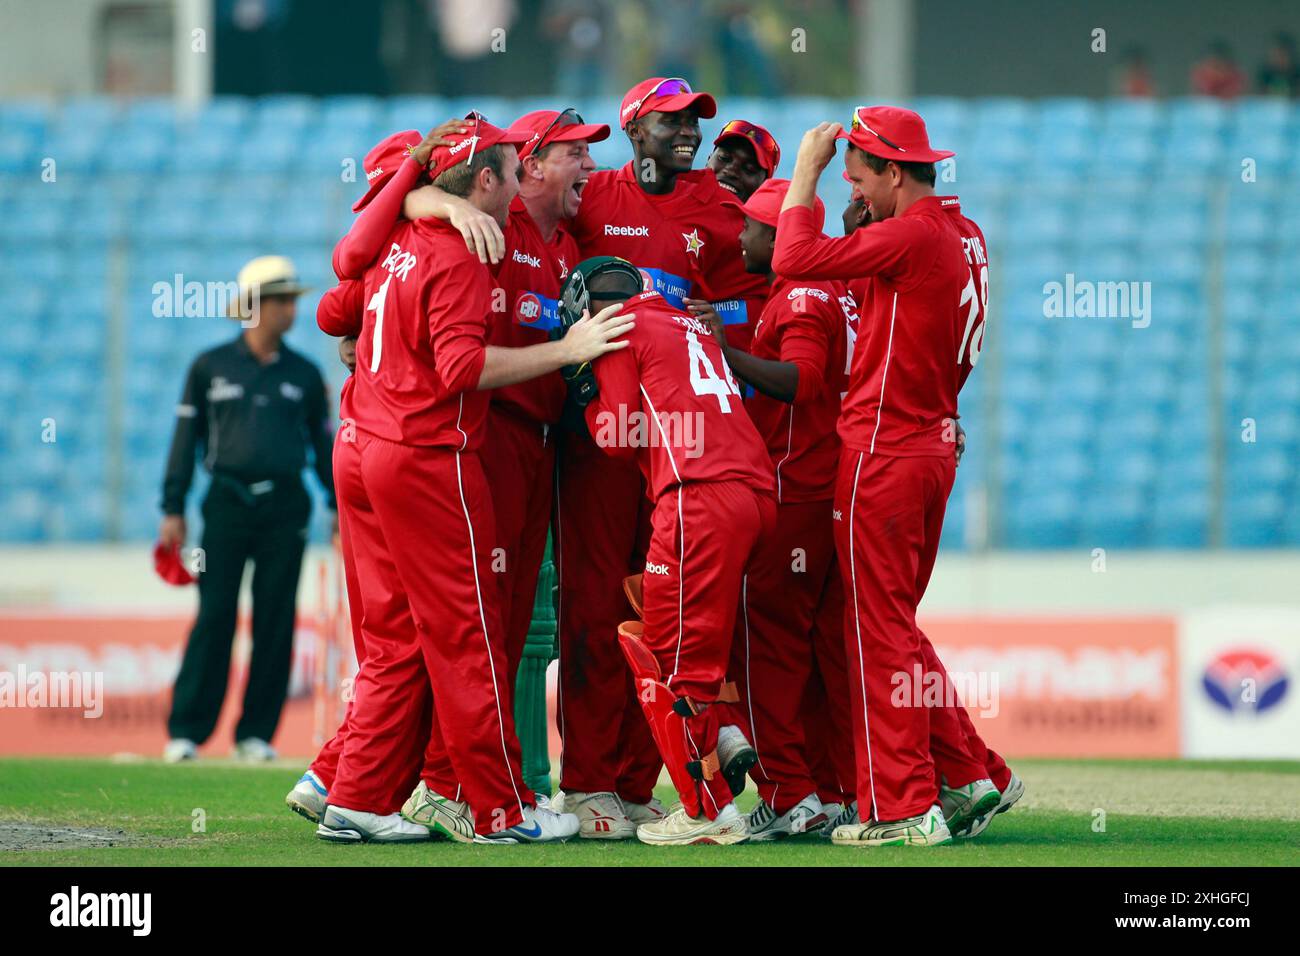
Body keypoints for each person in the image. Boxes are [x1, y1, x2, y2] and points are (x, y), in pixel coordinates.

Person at [315, 118, 630, 845]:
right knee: (469, 637)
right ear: (488, 180)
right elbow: (461, 368)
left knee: (398, 640)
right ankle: (494, 810)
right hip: (435, 451)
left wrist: (424, 199)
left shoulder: (399, 238)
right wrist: (568, 349)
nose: (522, 184)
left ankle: (355, 794)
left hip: (367, 445)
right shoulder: (465, 251)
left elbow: (341, 298)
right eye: (515, 170)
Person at [773, 106, 1011, 847]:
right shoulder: (962, 234)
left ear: (896, 172)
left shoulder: (907, 234)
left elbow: (791, 260)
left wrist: (805, 177)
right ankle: (972, 774)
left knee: (874, 634)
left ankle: (904, 809)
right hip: (928, 443)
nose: (856, 192)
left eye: (860, 178)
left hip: (882, 450)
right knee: (896, 626)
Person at [559, 256, 777, 845]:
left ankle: (707, 812)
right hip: (755, 494)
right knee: (673, 625)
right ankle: (724, 733)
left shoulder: (620, 329)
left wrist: (585, 390)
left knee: (661, 657)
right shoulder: (685, 321)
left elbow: (616, 435)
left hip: (697, 499)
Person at [702, 179, 859, 839]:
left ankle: (791, 794)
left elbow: (801, 381)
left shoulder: (797, 294)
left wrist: (725, 353)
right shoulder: (839, 290)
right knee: (824, 654)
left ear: (778, 233)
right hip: (830, 489)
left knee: (766, 649)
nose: (740, 238)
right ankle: (837, 789)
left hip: (795, 488)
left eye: (751, 227)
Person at [159, 255, 334, 764]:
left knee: (275, 620)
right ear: (255, 306)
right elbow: (185, 439)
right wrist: (173, 506)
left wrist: (338, 504)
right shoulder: (209, 366)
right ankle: (187, 731)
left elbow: (322, 447)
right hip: (226, 504)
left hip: (286, 506)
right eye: (281, 300)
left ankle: (256, 734)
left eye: (292, 299)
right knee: (215, 615)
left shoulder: (303, 374)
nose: (290, 309)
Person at [1258, 32, 1300, 98]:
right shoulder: (1266, 74)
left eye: (1282, 54)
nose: (1278, 58)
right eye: (1275, 54)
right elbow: (1260, 96)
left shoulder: (1297, 73)